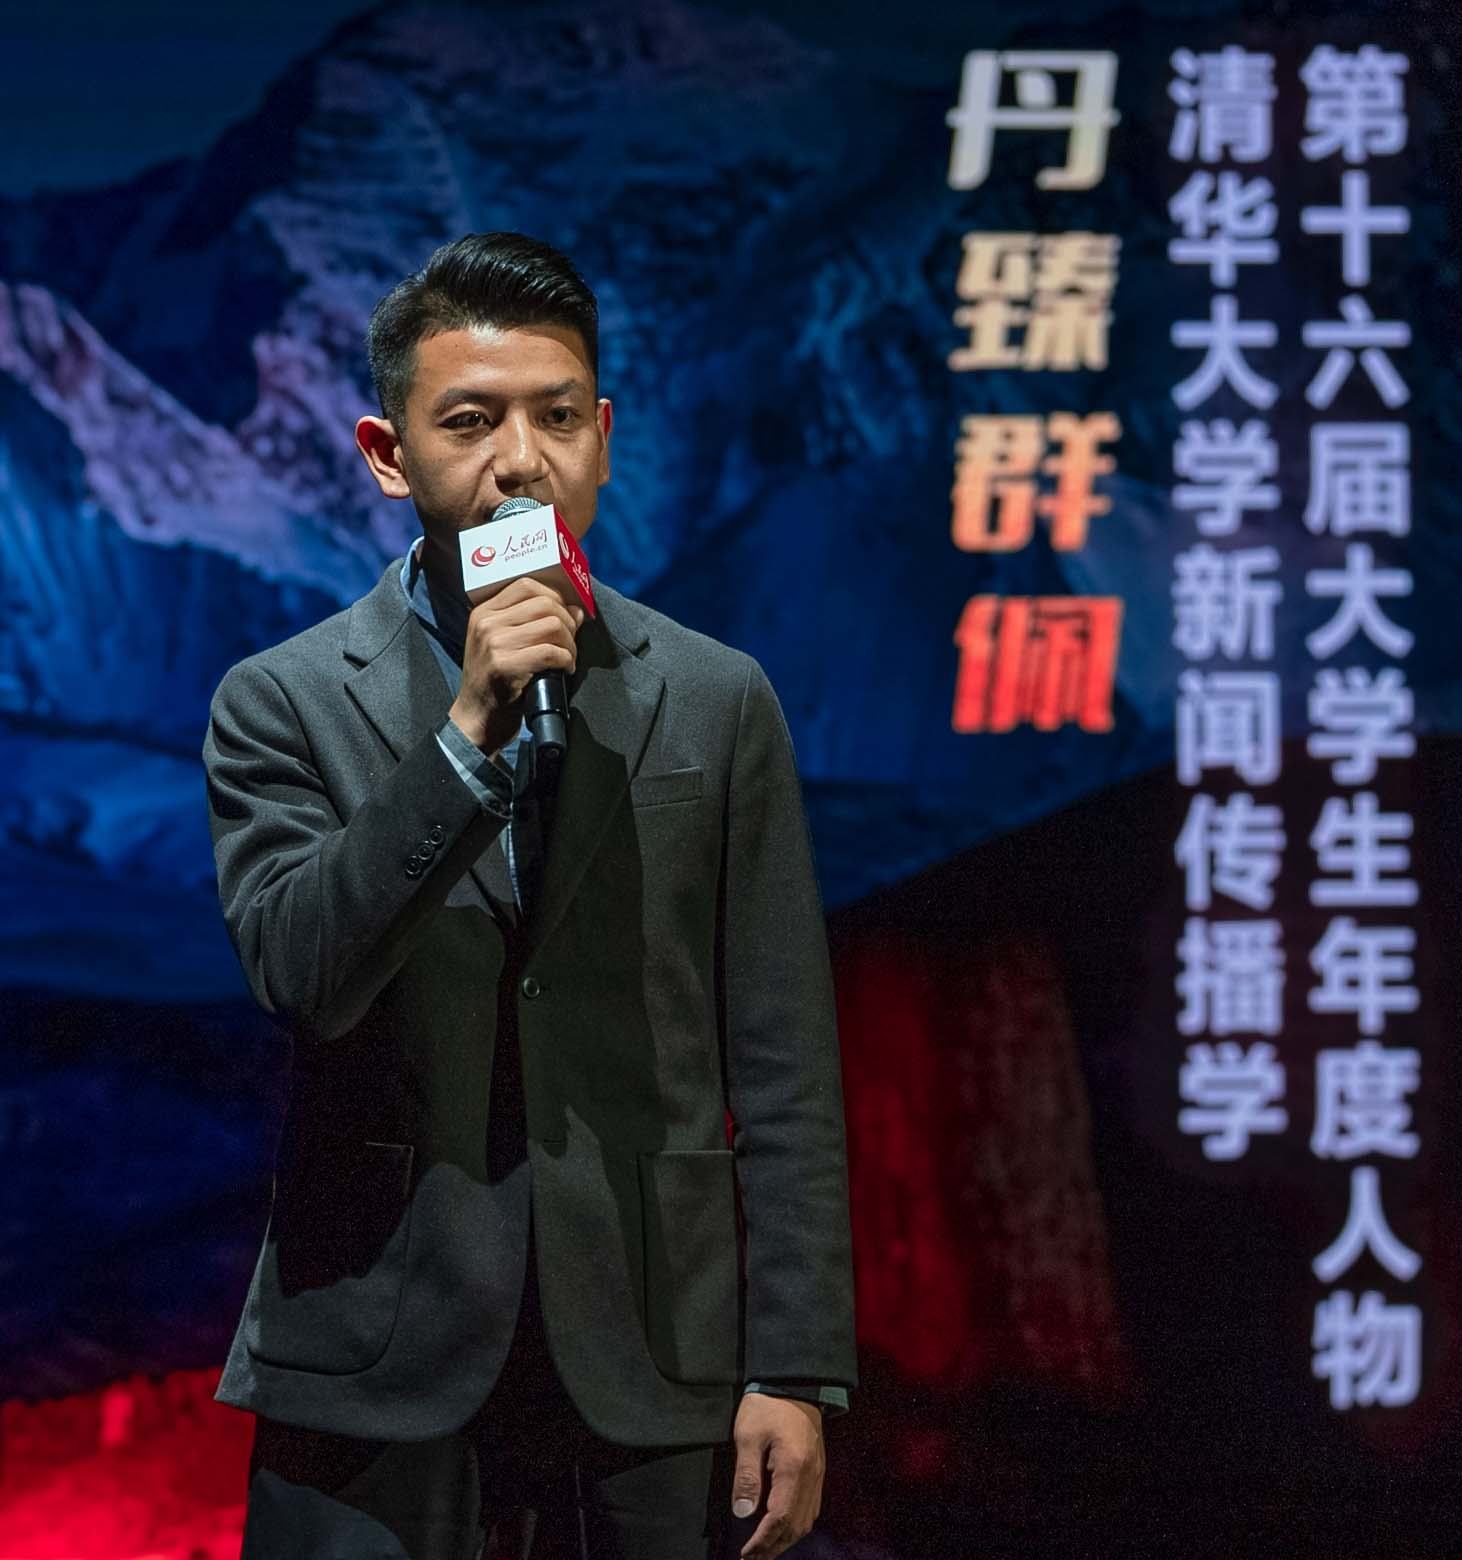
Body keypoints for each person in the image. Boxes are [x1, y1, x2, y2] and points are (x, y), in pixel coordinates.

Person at [203, 233, 854, 1560]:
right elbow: (301, 975)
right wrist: (466, 737)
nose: (519, 460)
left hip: (649, 1345)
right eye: (469, 422)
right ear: (389, 454)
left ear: (602, 439)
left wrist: (793, 1364)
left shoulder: (715, 698)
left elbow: (784, 1060)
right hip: (375, 1343)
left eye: (556, 419)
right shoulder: (280, 701)